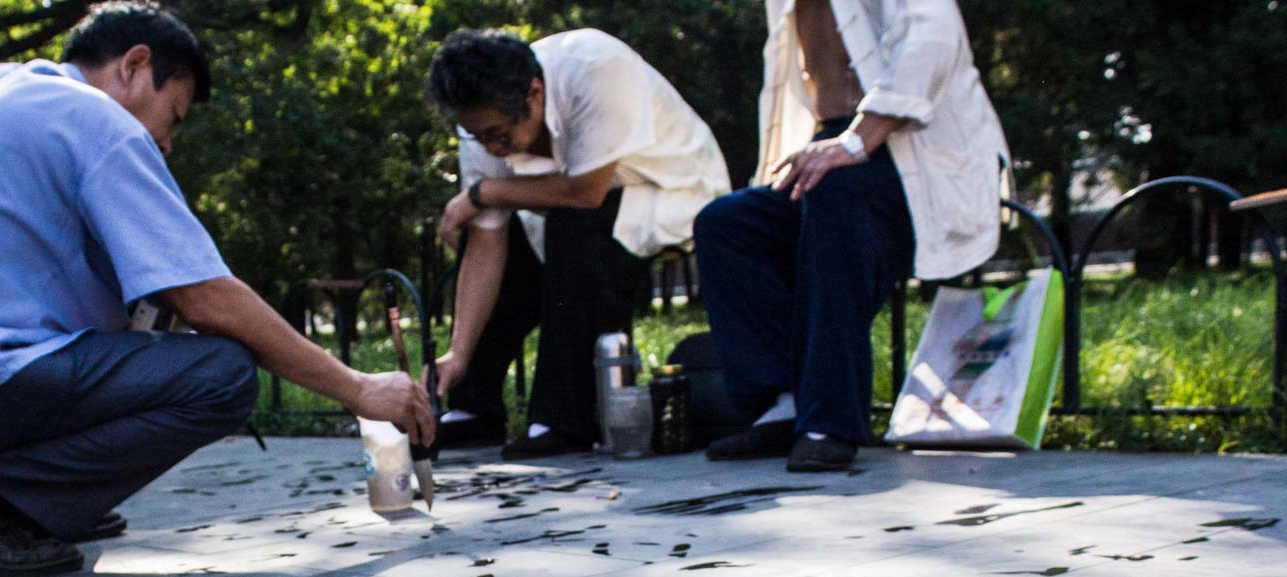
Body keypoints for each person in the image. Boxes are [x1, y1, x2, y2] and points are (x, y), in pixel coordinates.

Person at [0, 2, 432, 577]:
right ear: (134, 65)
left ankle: (45, 502)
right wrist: (360, 389)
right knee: (222, 373)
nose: (167, 144)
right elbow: (206, 298)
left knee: (138, 345)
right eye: (173, 116)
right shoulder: (101, 122)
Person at [693, 0, 1009, 471]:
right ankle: (782, 405)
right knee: (726, 225)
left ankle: (831, 421)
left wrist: (856, 141)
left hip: (915, 154)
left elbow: (933, 36)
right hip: (839, 147)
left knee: (834, 196)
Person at [424, 28, 729, 460]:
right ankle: (475, 406)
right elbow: (487, 240)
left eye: (499, 134)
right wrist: (459, 352)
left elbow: (585, 192)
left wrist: (483, 193)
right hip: (572, 202)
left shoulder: (595, 68)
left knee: (576, 227)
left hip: (672, 186)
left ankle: (565, 419)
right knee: (508, 237)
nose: (491, 147)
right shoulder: (479, 124)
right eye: (479, 137)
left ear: (533, 93)